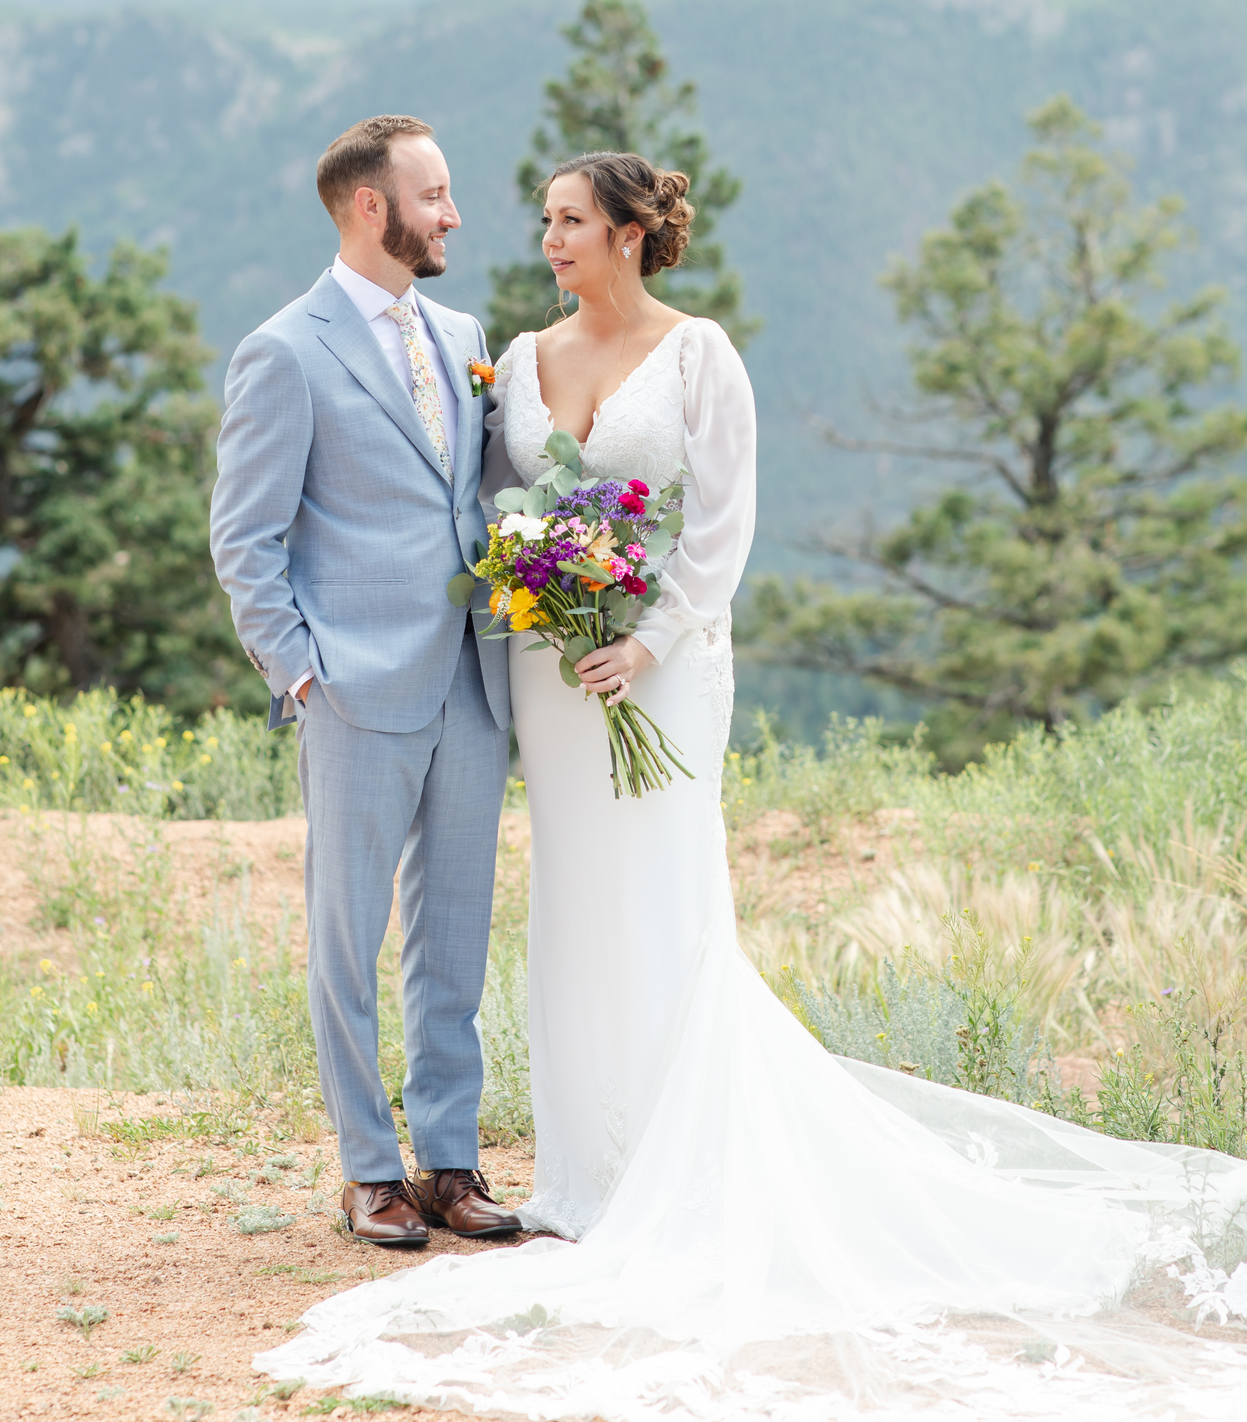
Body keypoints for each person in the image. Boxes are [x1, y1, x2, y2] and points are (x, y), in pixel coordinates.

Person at [255, 151, 1247, 1419]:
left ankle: (669, 1164)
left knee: (658, 893)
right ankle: (576, 1171)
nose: (539, 235)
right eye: (538, 217)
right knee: (566, 902)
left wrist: (648, 631)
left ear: (624, 232)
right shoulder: (505, 347)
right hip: (547, 679)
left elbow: (720, 525)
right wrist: (530, 595)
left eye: (565, 220)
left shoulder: (697, 354)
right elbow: (493, 502)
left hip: (654, 668)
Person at [211, 114, 518, 1249]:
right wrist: (302, 674)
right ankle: (367, 1168)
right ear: (369, 208)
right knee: (346, 937)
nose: (452, 214)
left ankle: (447, 1158)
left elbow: (471, 492)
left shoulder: (463, 328)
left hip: (472, 684)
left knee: (456, 935)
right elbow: (244, 538)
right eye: (434, 195)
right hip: (352, 690)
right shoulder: (284, 349)